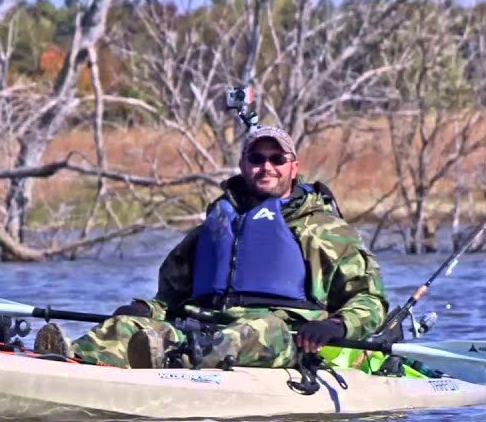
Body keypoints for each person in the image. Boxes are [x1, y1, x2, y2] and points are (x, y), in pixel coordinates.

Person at [32, 125, 389, 369]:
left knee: (253, 331)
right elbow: (171, 297)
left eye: (277, 159)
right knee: (125, 326)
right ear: (243, 165)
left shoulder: (326, 230)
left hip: (283, 335)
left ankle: (173, 360)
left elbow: (370, 301)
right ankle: (66, 360)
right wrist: (147, 310)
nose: (266, 167)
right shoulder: (215, 227)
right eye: (256, 158)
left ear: (294, 167)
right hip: (200, 326)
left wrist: (337, 327)